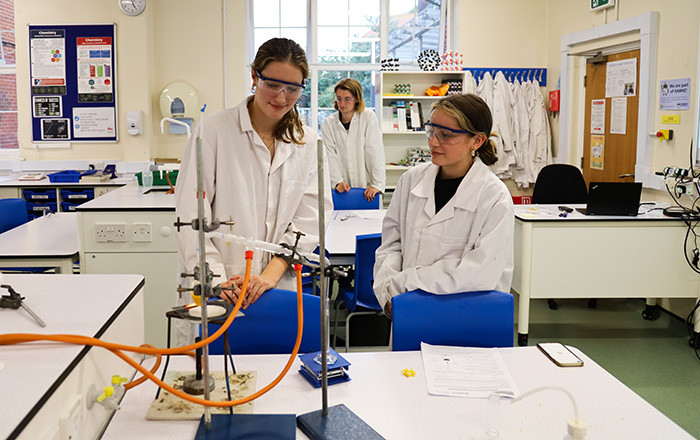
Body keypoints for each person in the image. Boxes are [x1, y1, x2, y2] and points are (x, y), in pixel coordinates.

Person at [175, 37, 332, 315]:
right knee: (218, 355)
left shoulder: (307, 142)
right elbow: (191, 218)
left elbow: (310, 220)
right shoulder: (212, 132)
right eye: (272, 85)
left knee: (277, 357)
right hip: (218, 287)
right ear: (254, 77)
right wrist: (218, 282)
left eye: (293, 88)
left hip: (277, 285)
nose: (281, 98)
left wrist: (270, 274)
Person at [373, 93, 514, 317]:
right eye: (431, 131)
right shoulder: (411, 180)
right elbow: (391, 245)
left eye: (446, 135)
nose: (433, 142)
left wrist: (406, 282)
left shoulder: (494, 197)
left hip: (466, 316)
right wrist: (387, 291)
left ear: (476, 141)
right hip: (407, 309)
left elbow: (480, 271)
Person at [321, 78, 385, 201]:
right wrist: (337, 181)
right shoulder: (329, 123)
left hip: (367, 189)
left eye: (347, 99)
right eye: (339, 99)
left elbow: (374, 151)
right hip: (341, 190)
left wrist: (377, 184)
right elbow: (329, 155)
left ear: (357, 99)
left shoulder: (367, 117)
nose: (342, 104)